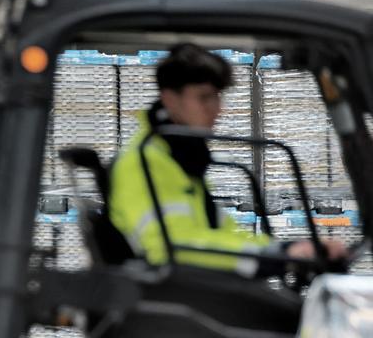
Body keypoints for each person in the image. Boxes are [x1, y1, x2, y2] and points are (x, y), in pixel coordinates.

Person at [110, 43, 348, 276]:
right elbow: (169, 247)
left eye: (217, 97)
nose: (217, 110)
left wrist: (286, 250)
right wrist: (268, 260)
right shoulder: (143, 163)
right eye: (204, 98)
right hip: (178, 294)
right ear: (171, 99)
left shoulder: (180, 160)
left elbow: (222, 233)